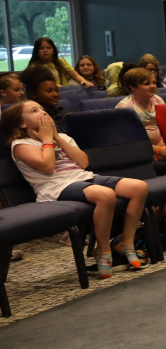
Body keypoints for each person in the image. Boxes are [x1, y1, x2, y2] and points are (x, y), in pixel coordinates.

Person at [5, 100, 150, 278]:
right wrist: (47, 140)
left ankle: (126, 242)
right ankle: (103, 251)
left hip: (83, 177)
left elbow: (83, 162)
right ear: (22, 123)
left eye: (42, 109)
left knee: (139, 187)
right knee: (105, 195)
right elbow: (48, 166)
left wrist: (57, 138)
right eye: (34, 111)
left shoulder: (64, 138)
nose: (43, 112)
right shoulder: (21, 145)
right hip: (56, 187)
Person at [115, 67, 166, 160]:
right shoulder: (125, 107)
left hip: (160, 142)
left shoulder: (157, 100)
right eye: (147, 84)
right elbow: (129, 139)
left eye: (154, 82)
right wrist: (159, 149)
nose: (153, 86)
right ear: (132, 87)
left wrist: (163, 144)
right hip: (138, 147)